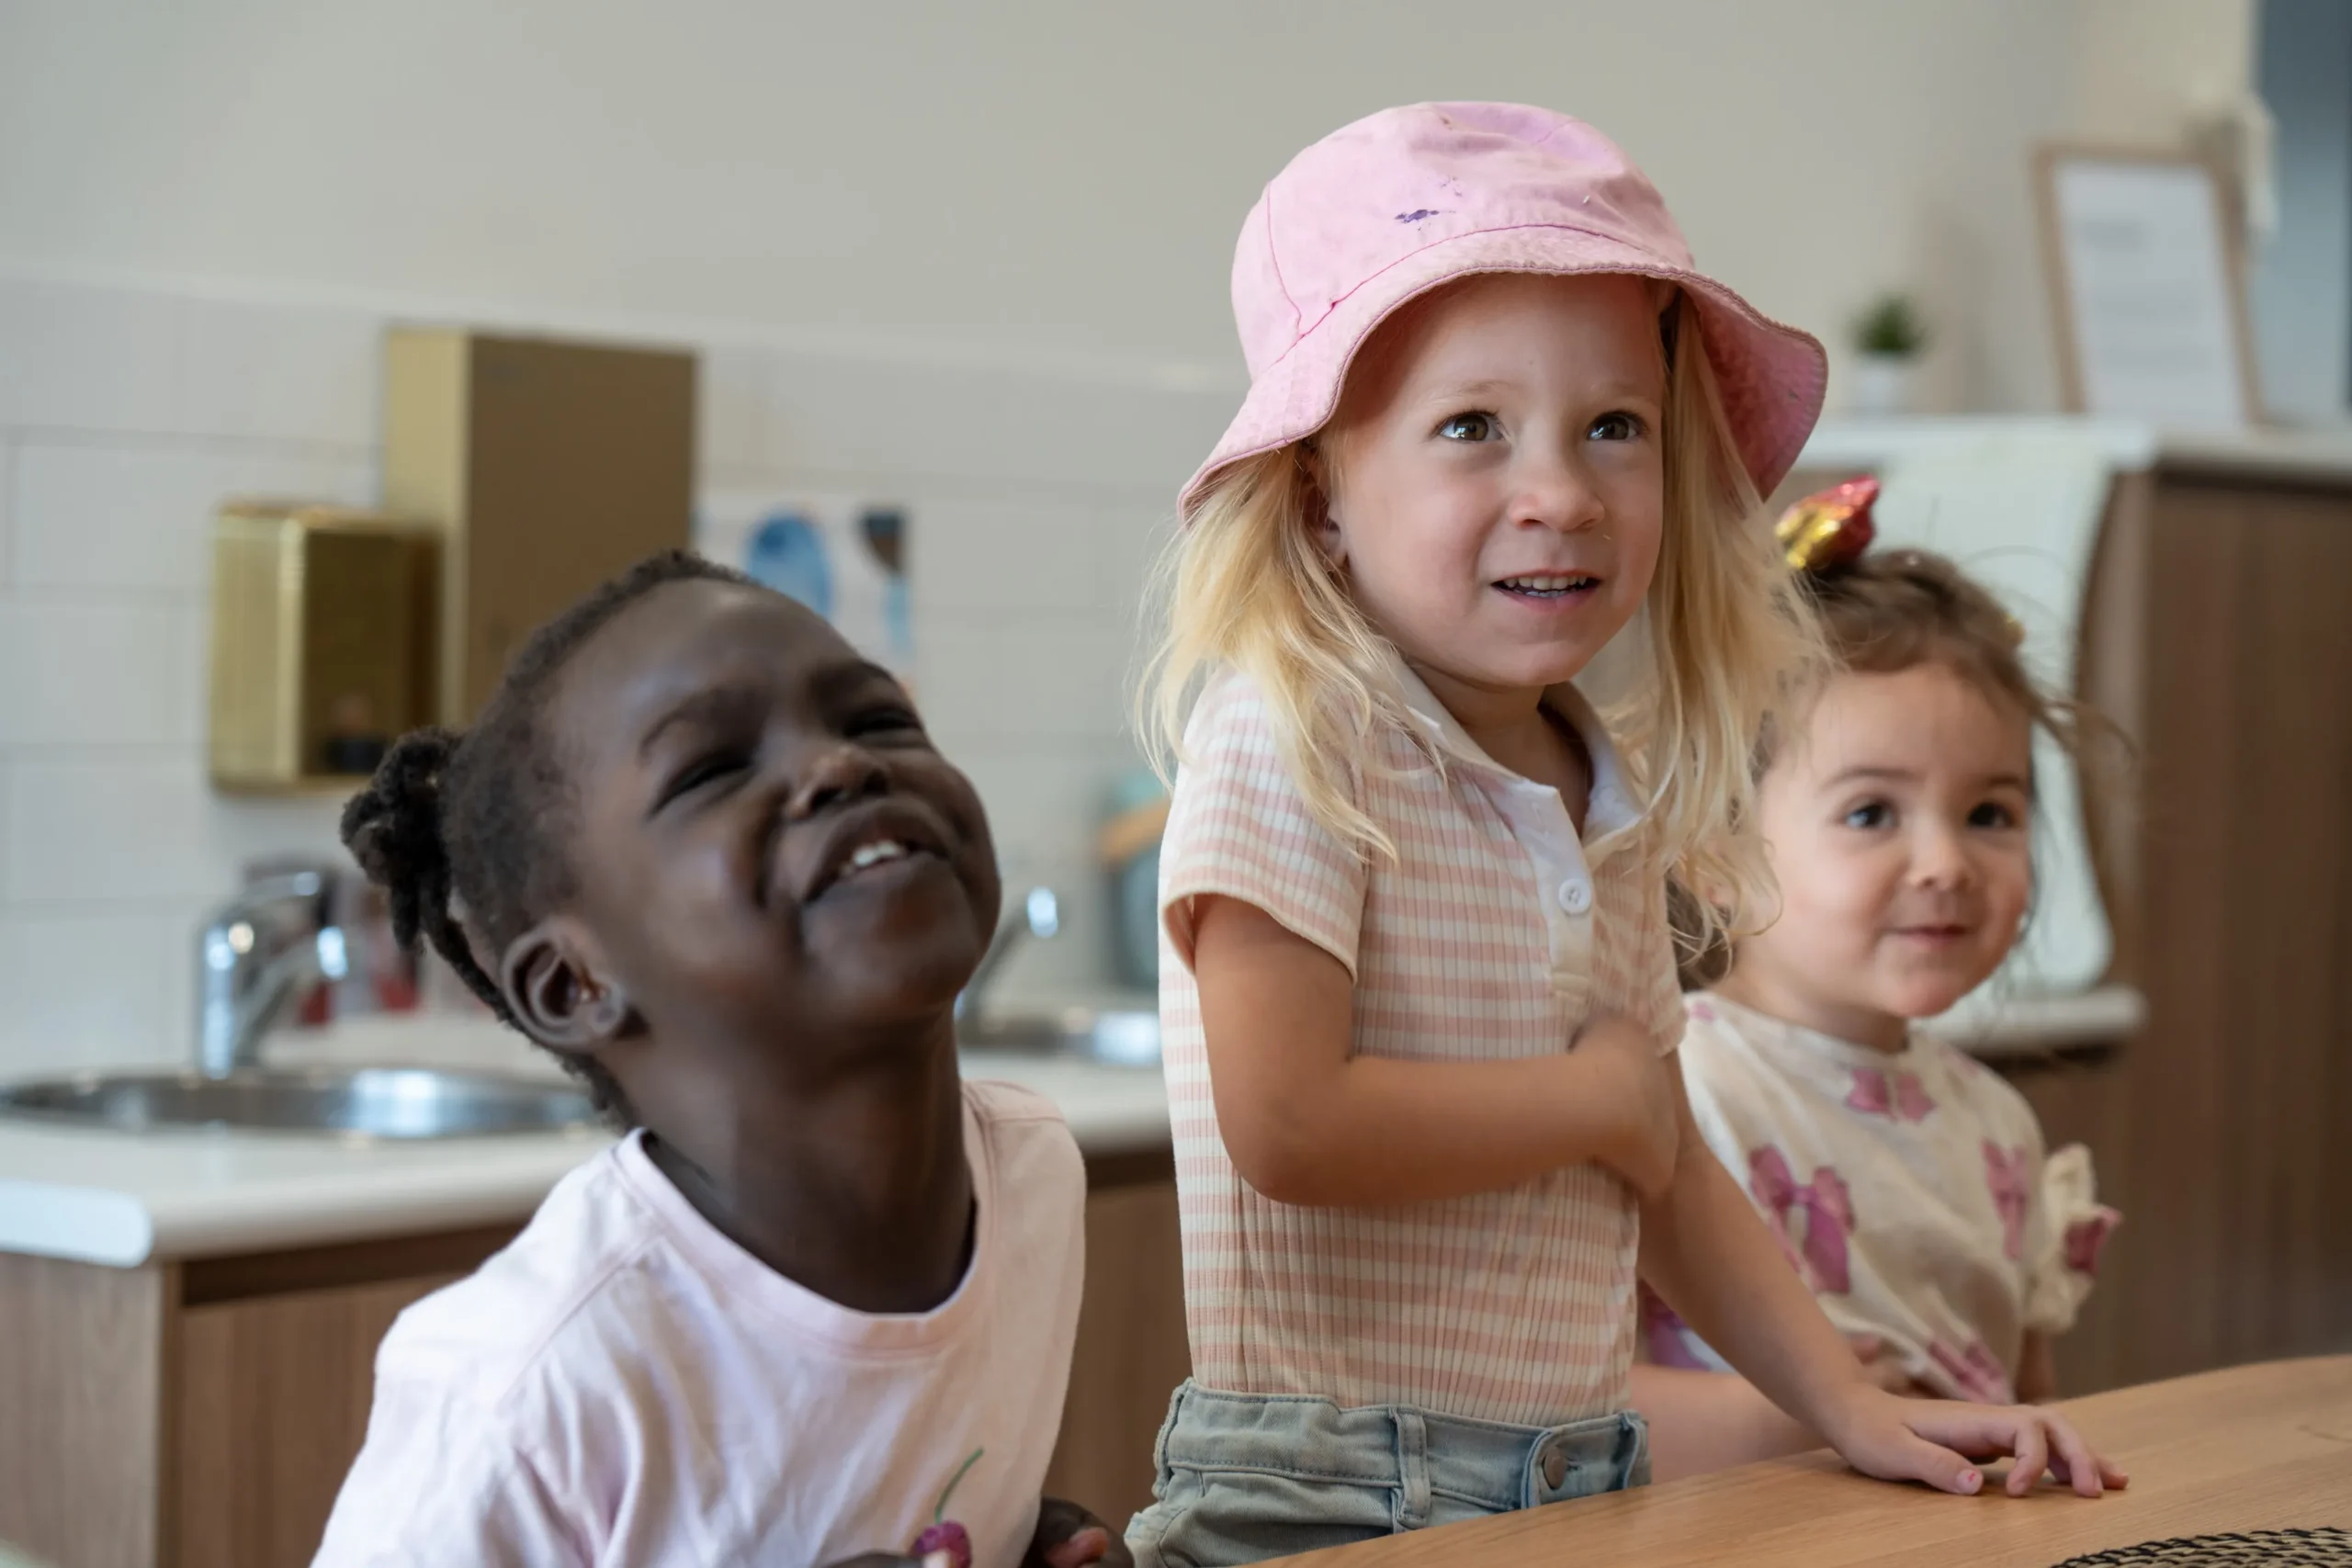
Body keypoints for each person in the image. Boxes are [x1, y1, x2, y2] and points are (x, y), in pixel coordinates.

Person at [1129, 103, 2124, 1566]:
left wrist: (1848, 1403)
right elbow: (1287, 1121)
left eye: (1616, 427)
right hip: (1332, 1496)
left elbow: (1662, 1169)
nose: (1562, 493)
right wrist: (1600, 1103)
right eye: (1474, 427)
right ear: (1322, 490)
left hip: (1579, 1476)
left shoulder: (1593, 785)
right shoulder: (1290, 739)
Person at [312, 551, 1124, 1568]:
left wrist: (1027, 1536)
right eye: (712, 770)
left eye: (878, 720)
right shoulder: (525, 1392)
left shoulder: (1031, 1178)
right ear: (574, 983)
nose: (841, 765)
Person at [1632, 485, 2120, 1481]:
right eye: (1871, 814)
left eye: (1989, 813)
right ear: (1715, 855)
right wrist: (1794, 1418)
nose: (1945, 863)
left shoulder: (1997, 1127)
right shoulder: (1671, 1090)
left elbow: (2029, 1400)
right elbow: (1558, 1412)